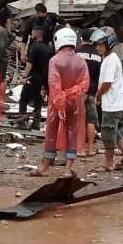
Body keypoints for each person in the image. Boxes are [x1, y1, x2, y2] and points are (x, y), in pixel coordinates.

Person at [38, 28, 89, 178]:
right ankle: (67, 170)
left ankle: (45, 167)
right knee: (72, 133)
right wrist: (70, 94)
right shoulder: (81, 61)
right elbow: (84, 84)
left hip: (57, 102)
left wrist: (60, 100)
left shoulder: (54, 61)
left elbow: (54, 84)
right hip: (75, 103)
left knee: (51, 134)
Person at [95, 30, 123, 171]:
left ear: (108, 45)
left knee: (107, 133)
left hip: (111, 103)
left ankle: (109, 163)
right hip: (113, 101)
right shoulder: (109, 58)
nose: (98, 47)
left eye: (101, 45)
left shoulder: (110, 60)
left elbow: (107, 83)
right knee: (114, 131)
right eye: (97, 45)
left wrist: (98, 96)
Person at [76, 28, 105, 157]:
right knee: (91, 120)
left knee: (78, 119)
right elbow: (100, 75)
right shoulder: (98, 55)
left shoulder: (76, 53)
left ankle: (79, 148)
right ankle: (90, 149)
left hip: (79, 91)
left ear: (82, 39)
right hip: (93, 91)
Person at [18, 25, 51, 130]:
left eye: (32, 32)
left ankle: (21, 122)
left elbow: (30, 63)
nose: (31, 34)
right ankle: (36, 123)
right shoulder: (48, 49)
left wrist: (24, 76)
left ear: (37, 33)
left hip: (32, 78)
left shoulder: (34, 47)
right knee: (38, 101)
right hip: (42, 79)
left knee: (23, 99)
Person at [0, 12, 15, 101]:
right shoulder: (3, 30)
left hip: (1, 57)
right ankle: (1, 95)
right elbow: (13, 37)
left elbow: (0, 46)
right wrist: (6, 45)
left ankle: (2, 96)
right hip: (3, 56)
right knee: (1, 76)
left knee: (1, 77)